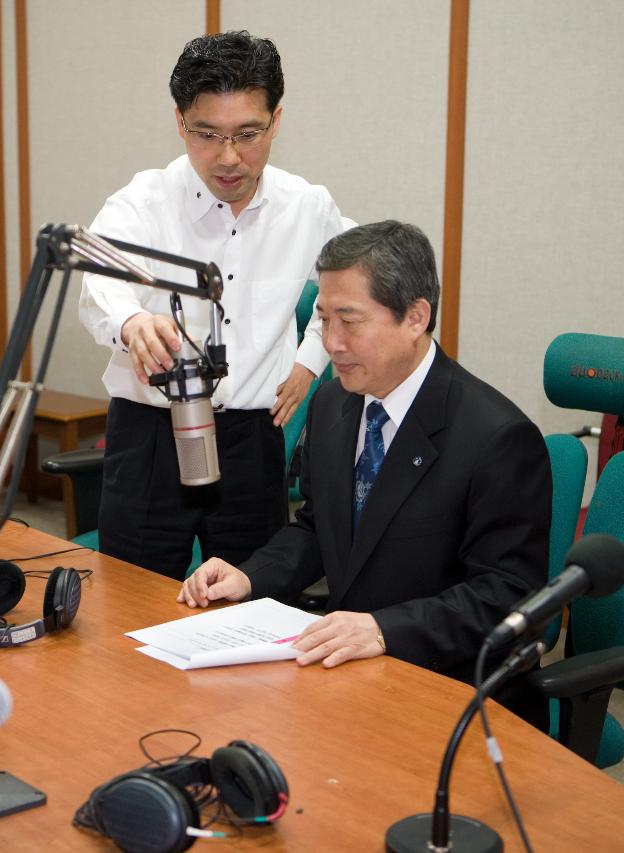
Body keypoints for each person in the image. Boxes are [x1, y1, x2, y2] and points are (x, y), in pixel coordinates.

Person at [177, 221, 552, 725]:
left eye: (349, 322)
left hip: (451, 688)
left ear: (416, 317)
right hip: (349, 673)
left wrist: (384, 630)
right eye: (323, 319)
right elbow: (319, 525)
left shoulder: (496, 438)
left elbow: (506, 595)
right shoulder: (335, 402)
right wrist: (250, 575)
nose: (330, 343)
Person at [79, 31, 347, 580]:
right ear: (180, 122)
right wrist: (132, 322)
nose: (228, 158)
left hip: (251, 441)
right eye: (206, 134)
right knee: (132, 602)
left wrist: (311, 359)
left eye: (248, 134)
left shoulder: (306, 206)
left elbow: (353, 284)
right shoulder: (143, 200)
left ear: (276, 121)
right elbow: (95, 280)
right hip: (149, 436)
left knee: (253, 602)